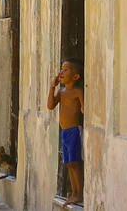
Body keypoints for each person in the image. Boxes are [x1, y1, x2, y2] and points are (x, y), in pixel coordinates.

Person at [47, 59, 84, 205]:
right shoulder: (61, 92)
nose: (61, 72)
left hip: (75, 131)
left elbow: (84, 108)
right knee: (69, 163)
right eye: (61, 69)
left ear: (75, 77)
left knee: (75, 162)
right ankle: (74, 192)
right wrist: (52, 87)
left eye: (66, 70)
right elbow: (50, 106)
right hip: (65, 132)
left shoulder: (77, 92)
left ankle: (78, 193)